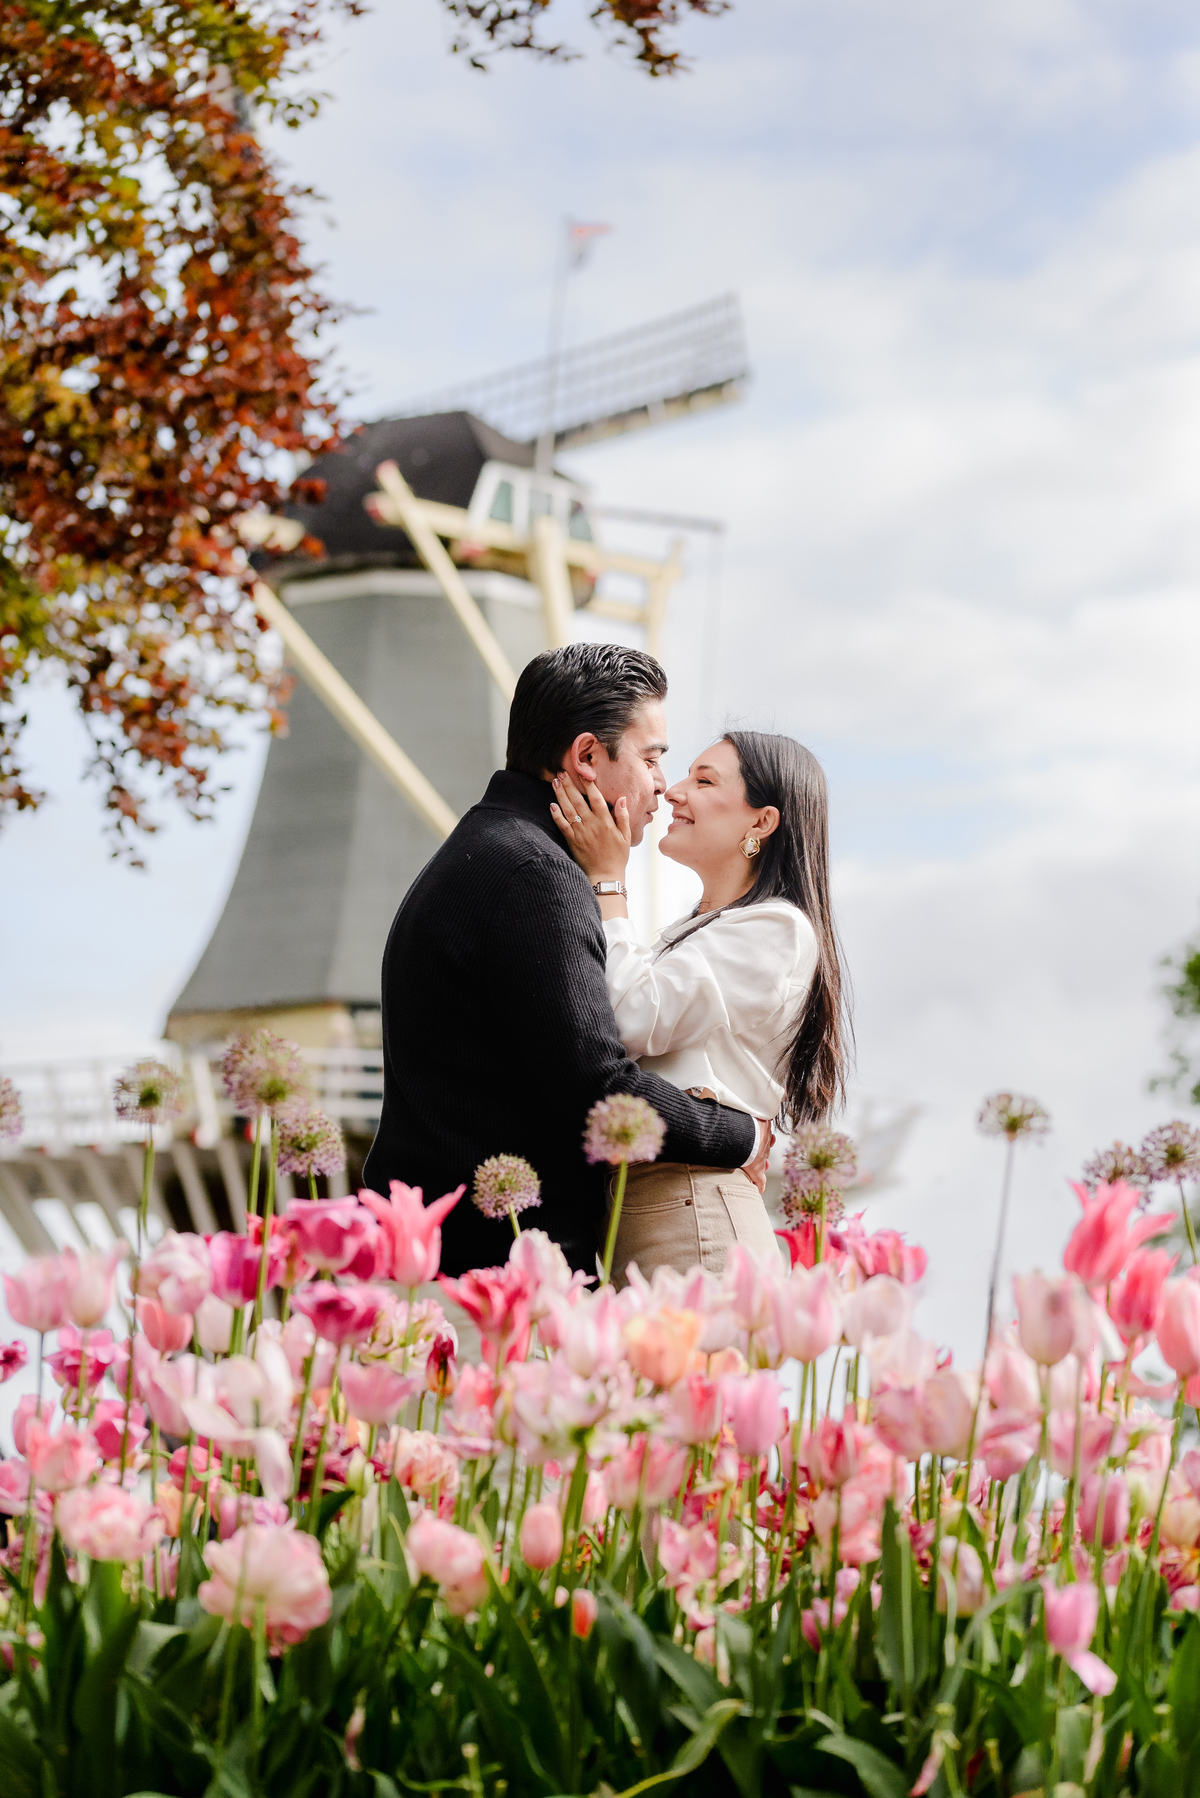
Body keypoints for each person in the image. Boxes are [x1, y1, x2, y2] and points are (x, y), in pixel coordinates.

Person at [362, 644, 771, 1276]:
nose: (662, 784)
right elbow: (598, 1090)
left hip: (442, 1257)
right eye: (650, 758)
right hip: (492, 1274)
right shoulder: (535, 874)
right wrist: (744, 1135)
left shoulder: (486, 849)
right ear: (586, 757)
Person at [550, 729, 849, 1282]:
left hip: (693, 1207)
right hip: (666, 1202)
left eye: (704, 781)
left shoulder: (775, 928)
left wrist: (607, 880)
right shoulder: (697, 931)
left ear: (762, 822)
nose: (673, 791)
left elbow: (628, 1018)